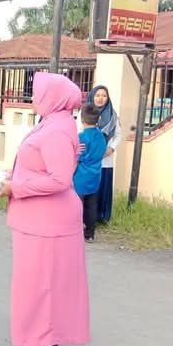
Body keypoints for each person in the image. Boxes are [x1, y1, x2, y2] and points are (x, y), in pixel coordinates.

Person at [0, 72, 89, 346]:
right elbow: (41, 164)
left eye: (39, 93)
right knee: (35, 284)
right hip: (38, 220)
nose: (34, 98)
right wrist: (12, 176)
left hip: (47, 222)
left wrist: (16, 186)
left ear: (53, 97)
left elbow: (59, 179)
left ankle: (41, 341)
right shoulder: (52, 123)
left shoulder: (57, 129)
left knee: (41, 286)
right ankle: (37, 336)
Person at [87, 85, 122, 223]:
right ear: (92, 96)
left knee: (103, 186)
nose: (100, 98)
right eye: (97, 95)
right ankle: (87, 219)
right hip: (89, 159)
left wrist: (111, 148)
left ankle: (102, 216)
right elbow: (79, 133)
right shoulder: (85, 112)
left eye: (104, 96)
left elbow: (118, 135)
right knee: (89, 188)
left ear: (108, 98)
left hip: (106, 158)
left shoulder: (113, 115)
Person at [73, 104, 107, 243]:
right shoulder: (101, 136)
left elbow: (78, 156)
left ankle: (76, 231)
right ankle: (90, 234)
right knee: (92, 205)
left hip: (81, 176)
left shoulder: (81, 137)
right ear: (98, 119)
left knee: (77, 205)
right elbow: (102, 153)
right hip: (95, 175)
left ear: (82, 120)